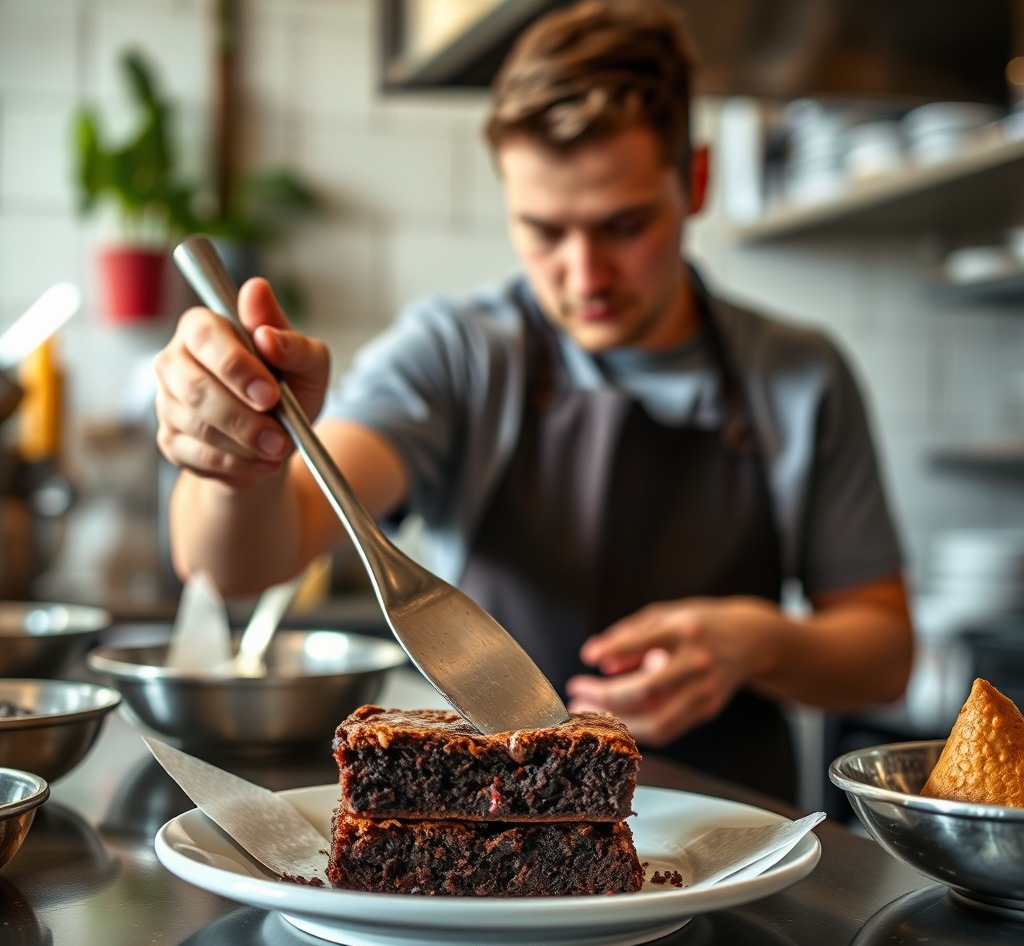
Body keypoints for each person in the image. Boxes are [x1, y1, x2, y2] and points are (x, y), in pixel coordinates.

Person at [154, 0, 913, 802]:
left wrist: (755, 643)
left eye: (624, 226)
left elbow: (885, 655)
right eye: (545, 231)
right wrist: (239, 465)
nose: (585, 276)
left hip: (736, 838)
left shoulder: (799, 375)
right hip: (497, 835)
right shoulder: (458, 355)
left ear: (694, 182)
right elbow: (239, 564)